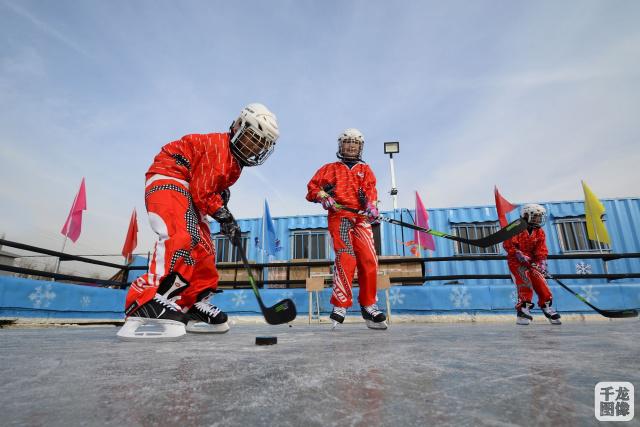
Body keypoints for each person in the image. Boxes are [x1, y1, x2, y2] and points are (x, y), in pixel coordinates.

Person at [117, 103, 280, 340]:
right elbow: (202, 191)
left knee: (204, 248)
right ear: (238, 127)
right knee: (182, 235)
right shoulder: (219, 147)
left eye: (260, 144)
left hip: (189, 191)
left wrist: (223, 208)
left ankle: (192, 303)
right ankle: (146, 301)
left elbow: (210, 191)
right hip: (171, 177)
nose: (254, 146)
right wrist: (224, 215)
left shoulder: (234, 163)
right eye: (252, 138)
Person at [306, 128, 387, 330]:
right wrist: (324, 197)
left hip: (360, 217)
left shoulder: (365, 170)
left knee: (369, 258)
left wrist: (372, 207)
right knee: (346, 256)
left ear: (361, 147)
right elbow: (312, 188)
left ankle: (369, 304)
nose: (351, 145)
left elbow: (371, 192)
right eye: (347, 142)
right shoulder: (330, 168)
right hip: (340, 216)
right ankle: (340, 305)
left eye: (355, 143)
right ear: (340, 145)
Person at [503, 204, 561, 325]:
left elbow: (541, 248)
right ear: (525, 215)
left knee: (541, 281)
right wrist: (517, 253)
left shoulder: (539, 232)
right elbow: (508, 244)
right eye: (535, 217)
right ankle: (523, 310)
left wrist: (541, 260)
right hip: (517, 262)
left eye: (540, 217)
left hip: (532, 262)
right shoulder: (515, 227)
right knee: (525, 282)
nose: (538, 219)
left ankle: (546, 306)